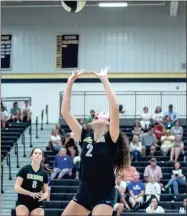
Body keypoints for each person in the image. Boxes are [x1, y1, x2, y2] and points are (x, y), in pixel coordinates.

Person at [61, 67, 130, 216]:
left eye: (103, 113)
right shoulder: (84, 135)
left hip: (105, 192)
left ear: (109, 122)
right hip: (84, 190)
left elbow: (114, 107)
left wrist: (104, 79)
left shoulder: (112, 137)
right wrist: (70, 82)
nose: (98, 113)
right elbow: (65, 113)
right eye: (98, 113)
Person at [14, 148, 48, 216]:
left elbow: (46, 192)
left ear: (42, 157)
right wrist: (30, 193)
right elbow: (16, 188)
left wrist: (43, 196)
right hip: (23, 201)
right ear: (31, 156)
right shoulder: (25, 169)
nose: (37, 155)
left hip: (37, 203)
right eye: (35, 153)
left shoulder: (44, 173)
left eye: (40, 153)